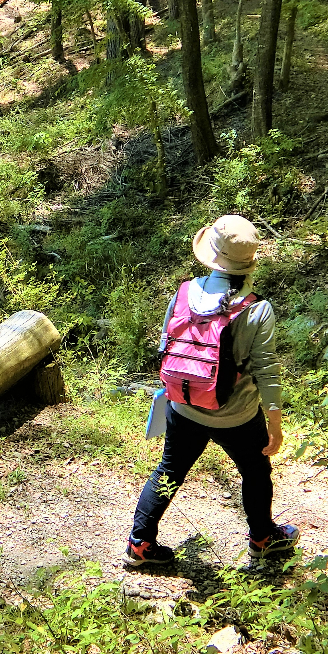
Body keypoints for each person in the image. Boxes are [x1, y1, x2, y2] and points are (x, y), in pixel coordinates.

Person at [125, 215, 298, 567]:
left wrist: (173, 390)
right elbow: (267, 371)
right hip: (235, 416)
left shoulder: (185, 291)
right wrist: (275, 425)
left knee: (168, 470)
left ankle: (140, 544)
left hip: (183, 406)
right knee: (254, 473)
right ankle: (263, 540)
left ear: (213, 256)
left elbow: (166, 343)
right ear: (249, 263)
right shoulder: (257, 309)